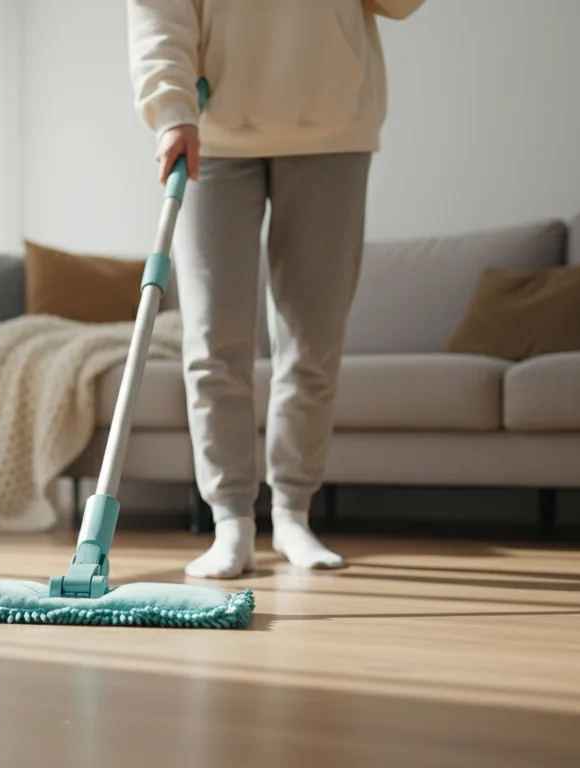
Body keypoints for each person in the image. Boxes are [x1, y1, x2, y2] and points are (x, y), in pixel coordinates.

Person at [126, 0, 425, 578]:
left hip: (335, 128)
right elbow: (157, 14)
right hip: (211, 131)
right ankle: (230, 520)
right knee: (214, 341)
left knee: (312, 341)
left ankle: (292, 513)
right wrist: (171, 110)